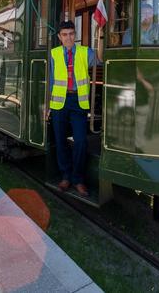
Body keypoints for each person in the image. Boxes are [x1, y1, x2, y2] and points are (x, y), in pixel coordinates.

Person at [48, 20, 102, 197]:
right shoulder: (54, 54)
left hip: (78, 101)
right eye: (65, 34)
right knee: (60, 140)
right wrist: (47, 105)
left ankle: (78, 179)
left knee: (80, 140)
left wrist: (100, 34)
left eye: (71, 34)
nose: (68, 37)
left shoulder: (85, 52)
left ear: (75, 35)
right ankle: (66, 176)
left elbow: (100, 59)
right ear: (59, 37)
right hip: (59, 102)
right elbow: (51, 81)